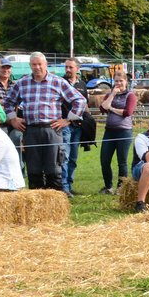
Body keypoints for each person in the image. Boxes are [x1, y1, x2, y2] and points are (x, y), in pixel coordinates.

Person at [2, 52, 85, 192]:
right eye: (34, 64)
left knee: (53, 168)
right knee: (34, 169)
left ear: (45, 65)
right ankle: (36, 204)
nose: (37, 67)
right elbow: (8, 101)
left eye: (40, 64)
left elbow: (80, 100)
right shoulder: (22, 83)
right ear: (30, 66)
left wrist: (68, 120)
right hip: (30, 130)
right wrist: (13, 119)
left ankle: (56, 202)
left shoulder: (58, 82)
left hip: (52, 129)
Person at [98, 74, 137, 194]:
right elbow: (103, 108)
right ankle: (108, 186)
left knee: (122, 161)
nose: (118, 83)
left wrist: (112, 109)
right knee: (104, 160)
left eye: (121, 81)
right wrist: (113, 94)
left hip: (124, 132)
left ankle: (121, 187)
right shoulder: (109, 95)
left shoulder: (130, 96)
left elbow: (127, 112)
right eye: (116, 81)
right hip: (109, 131)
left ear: (126, 82)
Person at [59, 57, 84, 194]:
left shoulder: (82, 84)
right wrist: (66, 120)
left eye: (71, 67)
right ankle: (64, 187)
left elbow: (83, 104)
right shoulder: (60, 82)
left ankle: (70, 184)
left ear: (77, 69)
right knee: (65, 156)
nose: (68, 70)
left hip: (78, 126)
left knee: (73, 157)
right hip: (64, 125)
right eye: (66, 67)